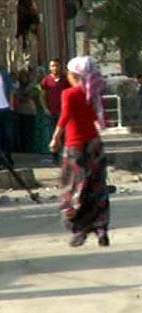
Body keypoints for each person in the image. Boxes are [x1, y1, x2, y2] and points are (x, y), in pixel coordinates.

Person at [49, 56, 110, 248]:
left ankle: (79, 229)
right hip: (94, 144)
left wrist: (55, 137)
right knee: (96, 186)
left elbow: (65, 116)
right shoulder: (93, 92)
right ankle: (101, 228)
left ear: (74, 74)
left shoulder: (69, 93)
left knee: (73, 188)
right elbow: (96, 117)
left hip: (75, 146)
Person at [41, 58, 70, 163]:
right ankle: (55, 157)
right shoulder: (46, 80)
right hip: (51, 112)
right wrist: (45, 108)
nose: (55, 68)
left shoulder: (65, 80)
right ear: (50, 67)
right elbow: (42, 96)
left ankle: (66, 156)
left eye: (56, 65)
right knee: (53, 134)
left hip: (63, 112)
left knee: (64, 135)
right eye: (52, 66)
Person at [15, 70, 37, 153]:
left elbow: (30, 96)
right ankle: (23, 147)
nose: (23, 78)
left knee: (29, 130)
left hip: (30, 111)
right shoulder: (19, 87)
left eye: (25, 76)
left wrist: (23, 96)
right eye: (22, 77)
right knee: (22, 131)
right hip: (20, 111)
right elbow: (19, 96)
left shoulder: (30, 86)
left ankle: (30, 148)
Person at [32, 69, 51, 154]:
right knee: (39, 129)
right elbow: (33, 97)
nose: (39, 75)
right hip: (38, 109)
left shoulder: (47, 85)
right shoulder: (35, 86)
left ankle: (46, 148)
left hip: (46, 109)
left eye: (41, 74)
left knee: (46, 129)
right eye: (38, 74)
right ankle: (39, 148)